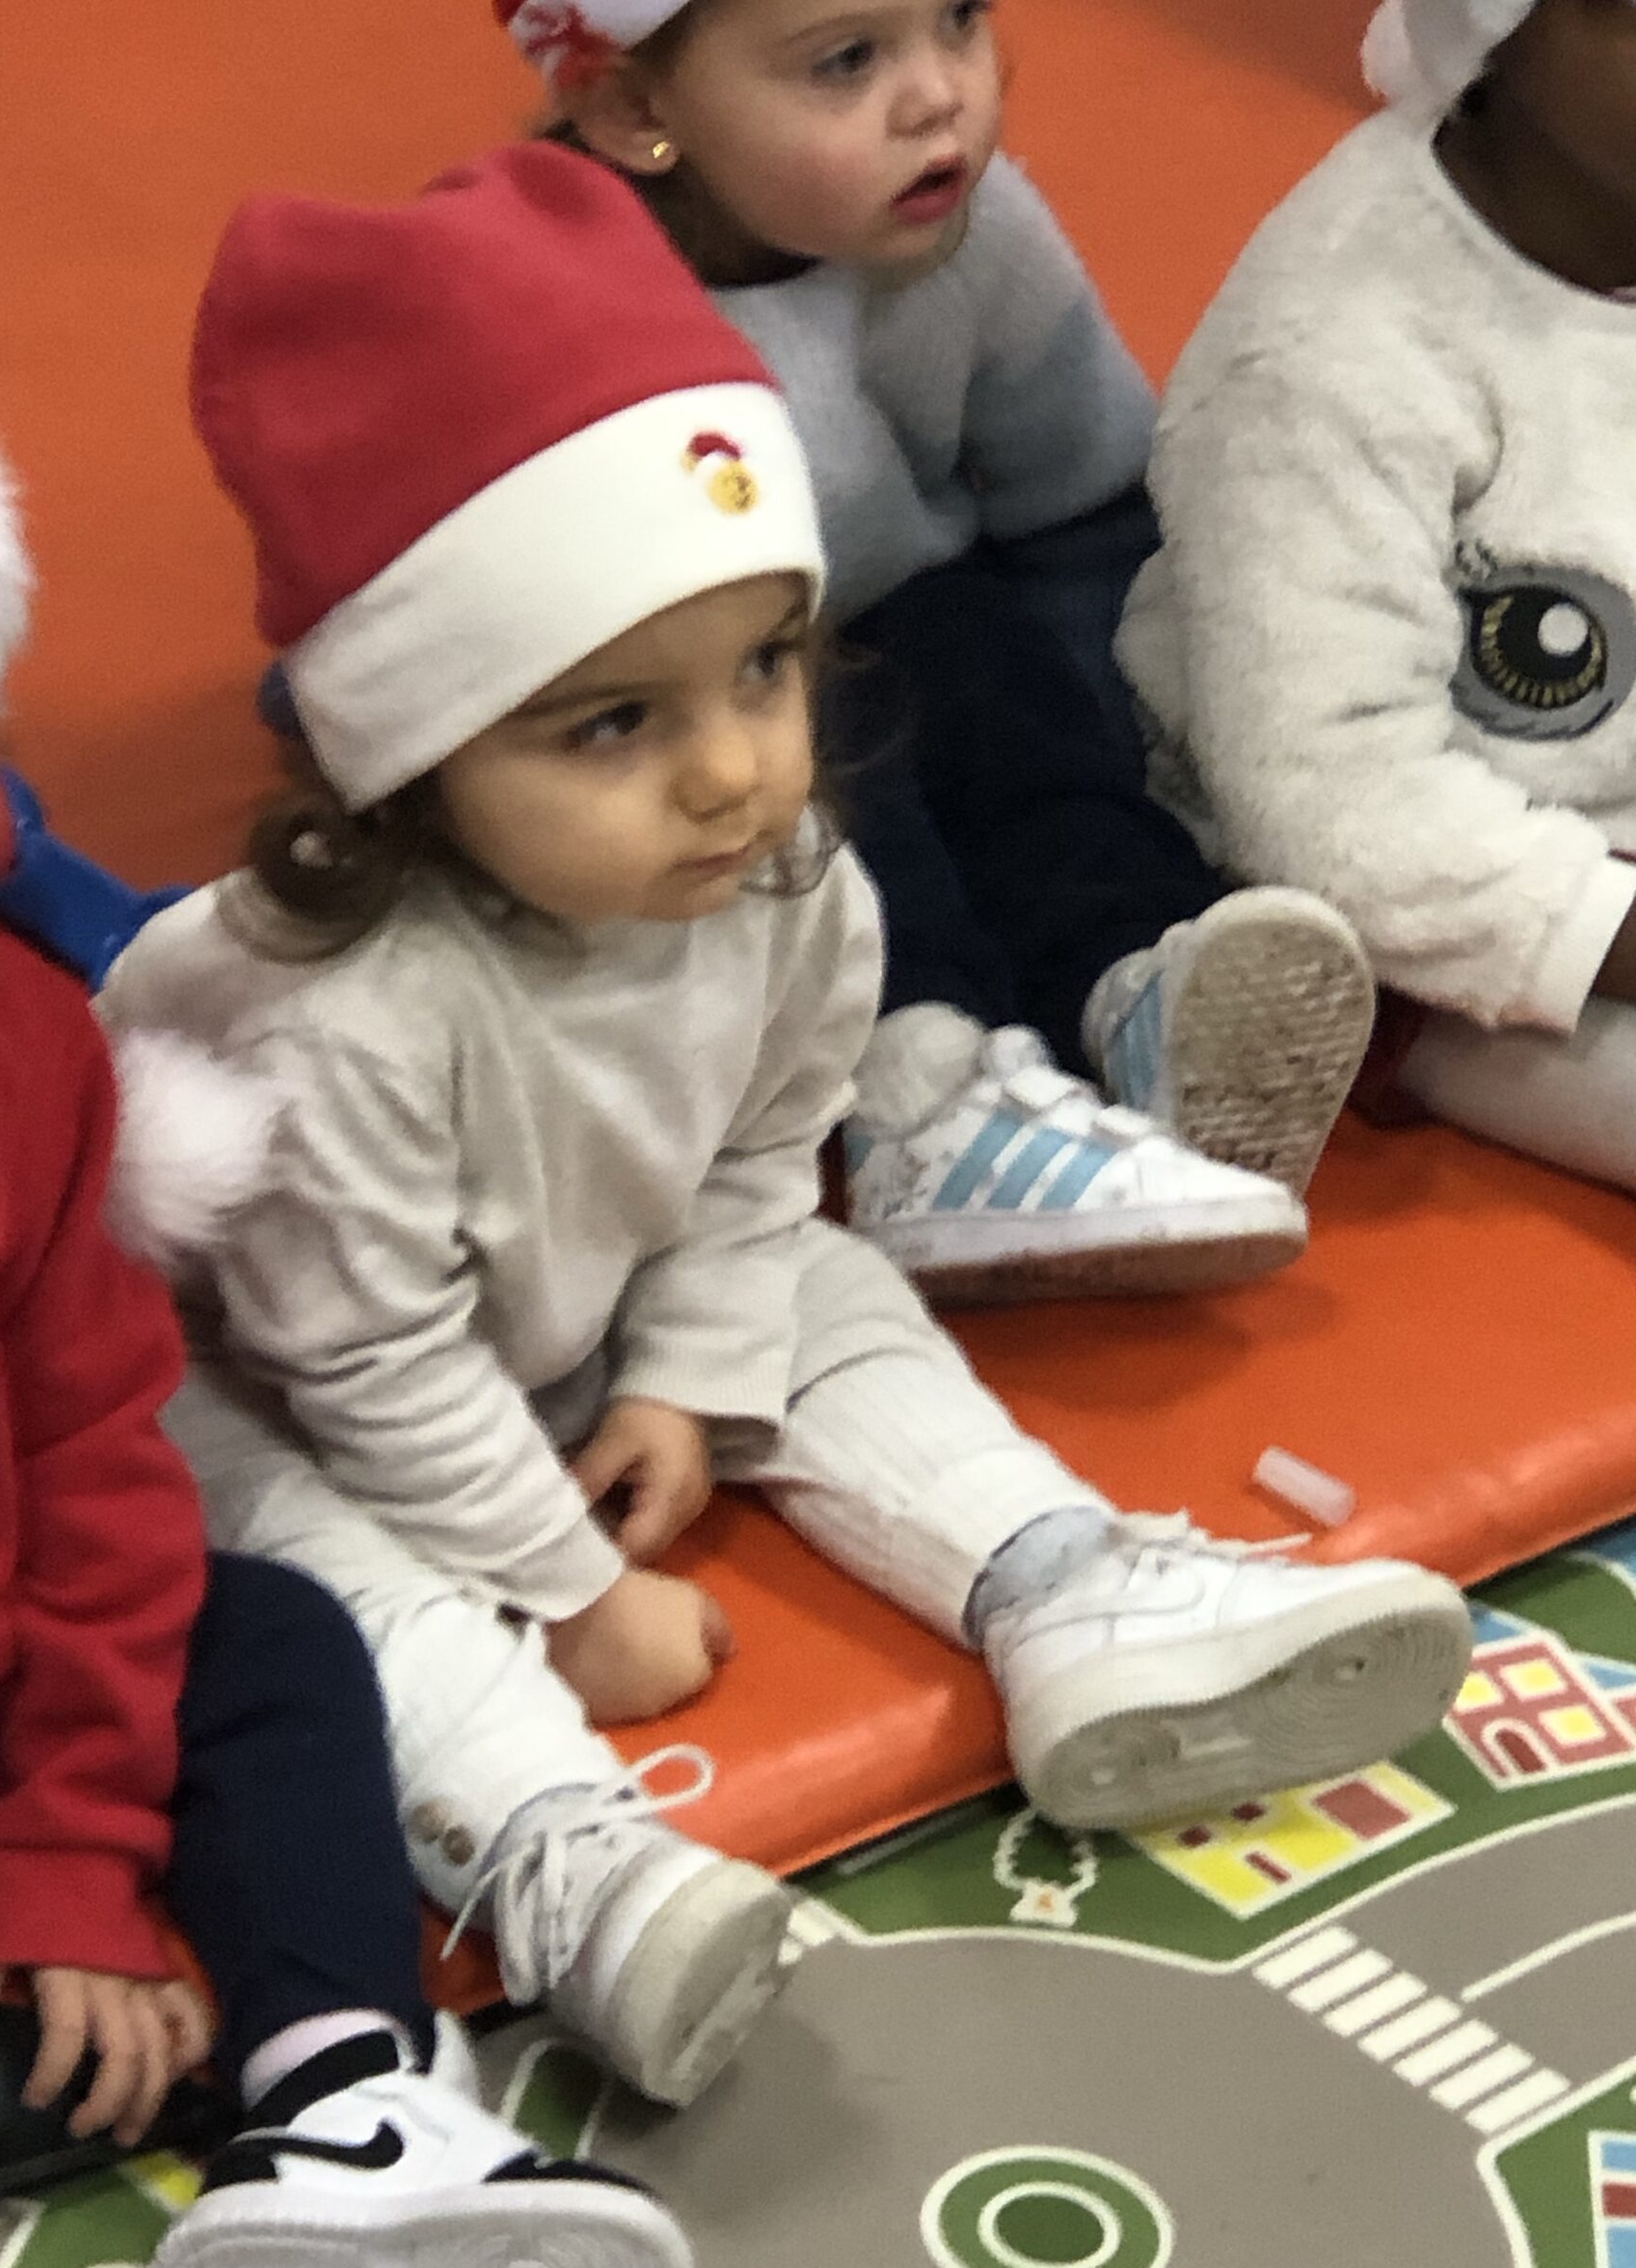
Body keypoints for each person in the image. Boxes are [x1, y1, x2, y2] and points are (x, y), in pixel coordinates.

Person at [98, 146, 1474, 2128]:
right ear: (410, 760)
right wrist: (571, 1592)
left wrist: (688, 1369)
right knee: (296, 1562)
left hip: (564, 1304)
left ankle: (1058, 1585)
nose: (734, 768)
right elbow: (361, 1356)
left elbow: (759, 1160)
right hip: (277, 1385)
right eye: (613, 724)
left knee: (831, 1282)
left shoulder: (786, 882)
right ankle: (561, 1856)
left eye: (762, 666)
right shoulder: (337, 1015)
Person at [0, 350, 694, 2268]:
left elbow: (93, 1475)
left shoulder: (12, 1050)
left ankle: (350, 2110)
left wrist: (69, 1842)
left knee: (266, 1640)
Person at [493, 0, 1384, 1302]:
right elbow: (432, 620)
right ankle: (926, 1086)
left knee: (990, 665)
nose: (938, 95)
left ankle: (1135, 980)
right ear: (635, 110)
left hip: (895, 627)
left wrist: (1156, 750)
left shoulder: (973, 229)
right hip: (666, 724)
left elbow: (1082, 509)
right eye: (849, 61)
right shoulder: (534, 298)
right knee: (817, 727)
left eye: (958, 19)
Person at [1115, 0, 1636, 1189]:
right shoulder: (1332, 349)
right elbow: (1333, 807)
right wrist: (1606, 924)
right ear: (1494, 37)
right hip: (1456, 929)